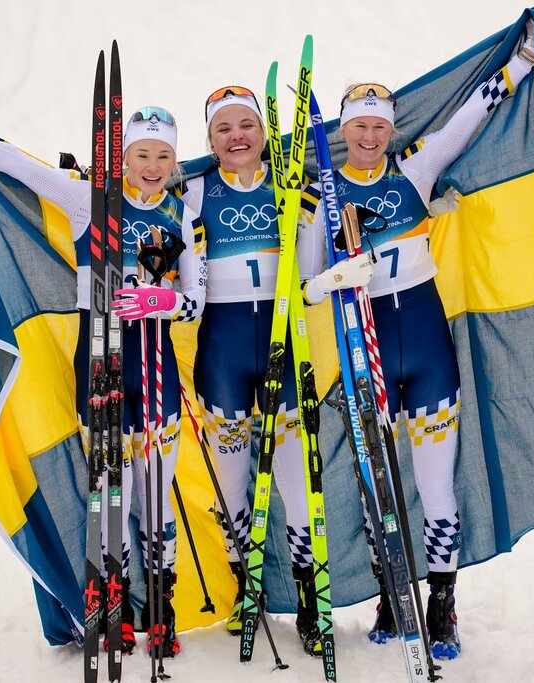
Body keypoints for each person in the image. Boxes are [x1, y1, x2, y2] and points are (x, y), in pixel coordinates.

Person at [0, 97, 206, 658]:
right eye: (142, 154)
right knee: (110, 492)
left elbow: (196, 301)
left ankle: (162, 607)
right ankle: (113, 604)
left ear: (174, 161)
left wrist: (162, 300)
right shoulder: (89, 200)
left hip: (155, 370)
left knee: (155, 498)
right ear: (123, 157)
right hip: (100, 360)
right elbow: (22, 168)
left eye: (163, 156)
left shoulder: (182, 215)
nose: (152, 166)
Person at [296, 23, 534, 660]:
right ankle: (390, 594)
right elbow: (304, 287)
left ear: (390, 129)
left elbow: (466, 120)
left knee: (435, 486)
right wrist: (334, 277)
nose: (370, 137)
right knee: (379, 485)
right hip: (365, 348)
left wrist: (519, 65)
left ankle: (442, 604)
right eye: (359, 126)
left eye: (379, 126)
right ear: (343, 130)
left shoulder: (415, 169)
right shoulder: (324, 195)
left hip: (427, 346)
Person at [178, 85, 321, 655]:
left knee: (296, 481)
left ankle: (311, 599)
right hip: (223, 355)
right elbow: (135, 194)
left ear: (264, 133)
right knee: (231, 483)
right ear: (210, 141)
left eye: (246, 125)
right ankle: (247, 588)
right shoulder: (191, 191)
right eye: (223, 129)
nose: (236, 136)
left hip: (284, 348)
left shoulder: (293, 187)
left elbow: (309, 278)